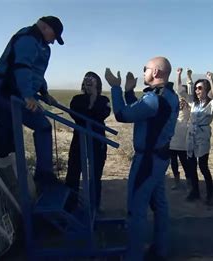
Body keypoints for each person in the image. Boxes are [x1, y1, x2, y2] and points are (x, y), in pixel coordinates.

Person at [105, 56, 178, 261]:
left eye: (145, 68)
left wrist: (116, 88)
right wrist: (130, 92)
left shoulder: (154, 98)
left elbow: (122, 115)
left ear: (156, 73)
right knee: (159, 204)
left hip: (147, 161)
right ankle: (161, 249)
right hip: (160, 158)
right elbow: (140, 112)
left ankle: (133, 256)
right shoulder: (168, 96)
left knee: (136, 209)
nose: (143, 72)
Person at [0, 16, 63, 192]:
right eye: (54, 36)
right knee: (43, 127)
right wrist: (28, 96)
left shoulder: (40, 43)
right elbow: (22, 67)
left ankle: (2, 183)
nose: (53, 41)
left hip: (14, 92)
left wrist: (44, 93)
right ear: (45, 27)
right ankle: (44, 176)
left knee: (6, 138)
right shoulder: (29, 38)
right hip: (8, 91)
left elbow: (37, 72)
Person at [65, 72, 111, 212]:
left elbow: (102, 114)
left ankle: (94, 206)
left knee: (95, 174)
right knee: (73, 171)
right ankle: (70, 205)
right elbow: (77, 116)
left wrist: (92, 99)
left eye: (92, 79)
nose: (88, 81)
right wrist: (90, 106)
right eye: (86, 79)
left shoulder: (104, 99)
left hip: (97, 141)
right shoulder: (76, 99)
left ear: (98, 82)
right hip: (79, 140)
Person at [178, 69, 213, 206]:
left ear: (206, 89)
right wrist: (183, 76)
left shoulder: (211, 105)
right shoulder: (194, 103)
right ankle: (194, 192)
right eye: (196, 88)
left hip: (203, 136)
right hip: (191, 136)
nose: (197, 90)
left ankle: (210, 194)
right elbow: (181, 91)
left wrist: (211, 79)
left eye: (200, 88)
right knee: (191, 166)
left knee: (203, 166)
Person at [168, 96, 191, 190]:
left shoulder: (188, 109)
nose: (181, 102)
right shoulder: (173, 110)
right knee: (173, 163)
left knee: (185, 162)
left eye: (183, 100)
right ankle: (177, 182)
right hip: (172, 141)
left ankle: (189, 181)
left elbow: (189, 98)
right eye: (179, 100)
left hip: (182, 141)